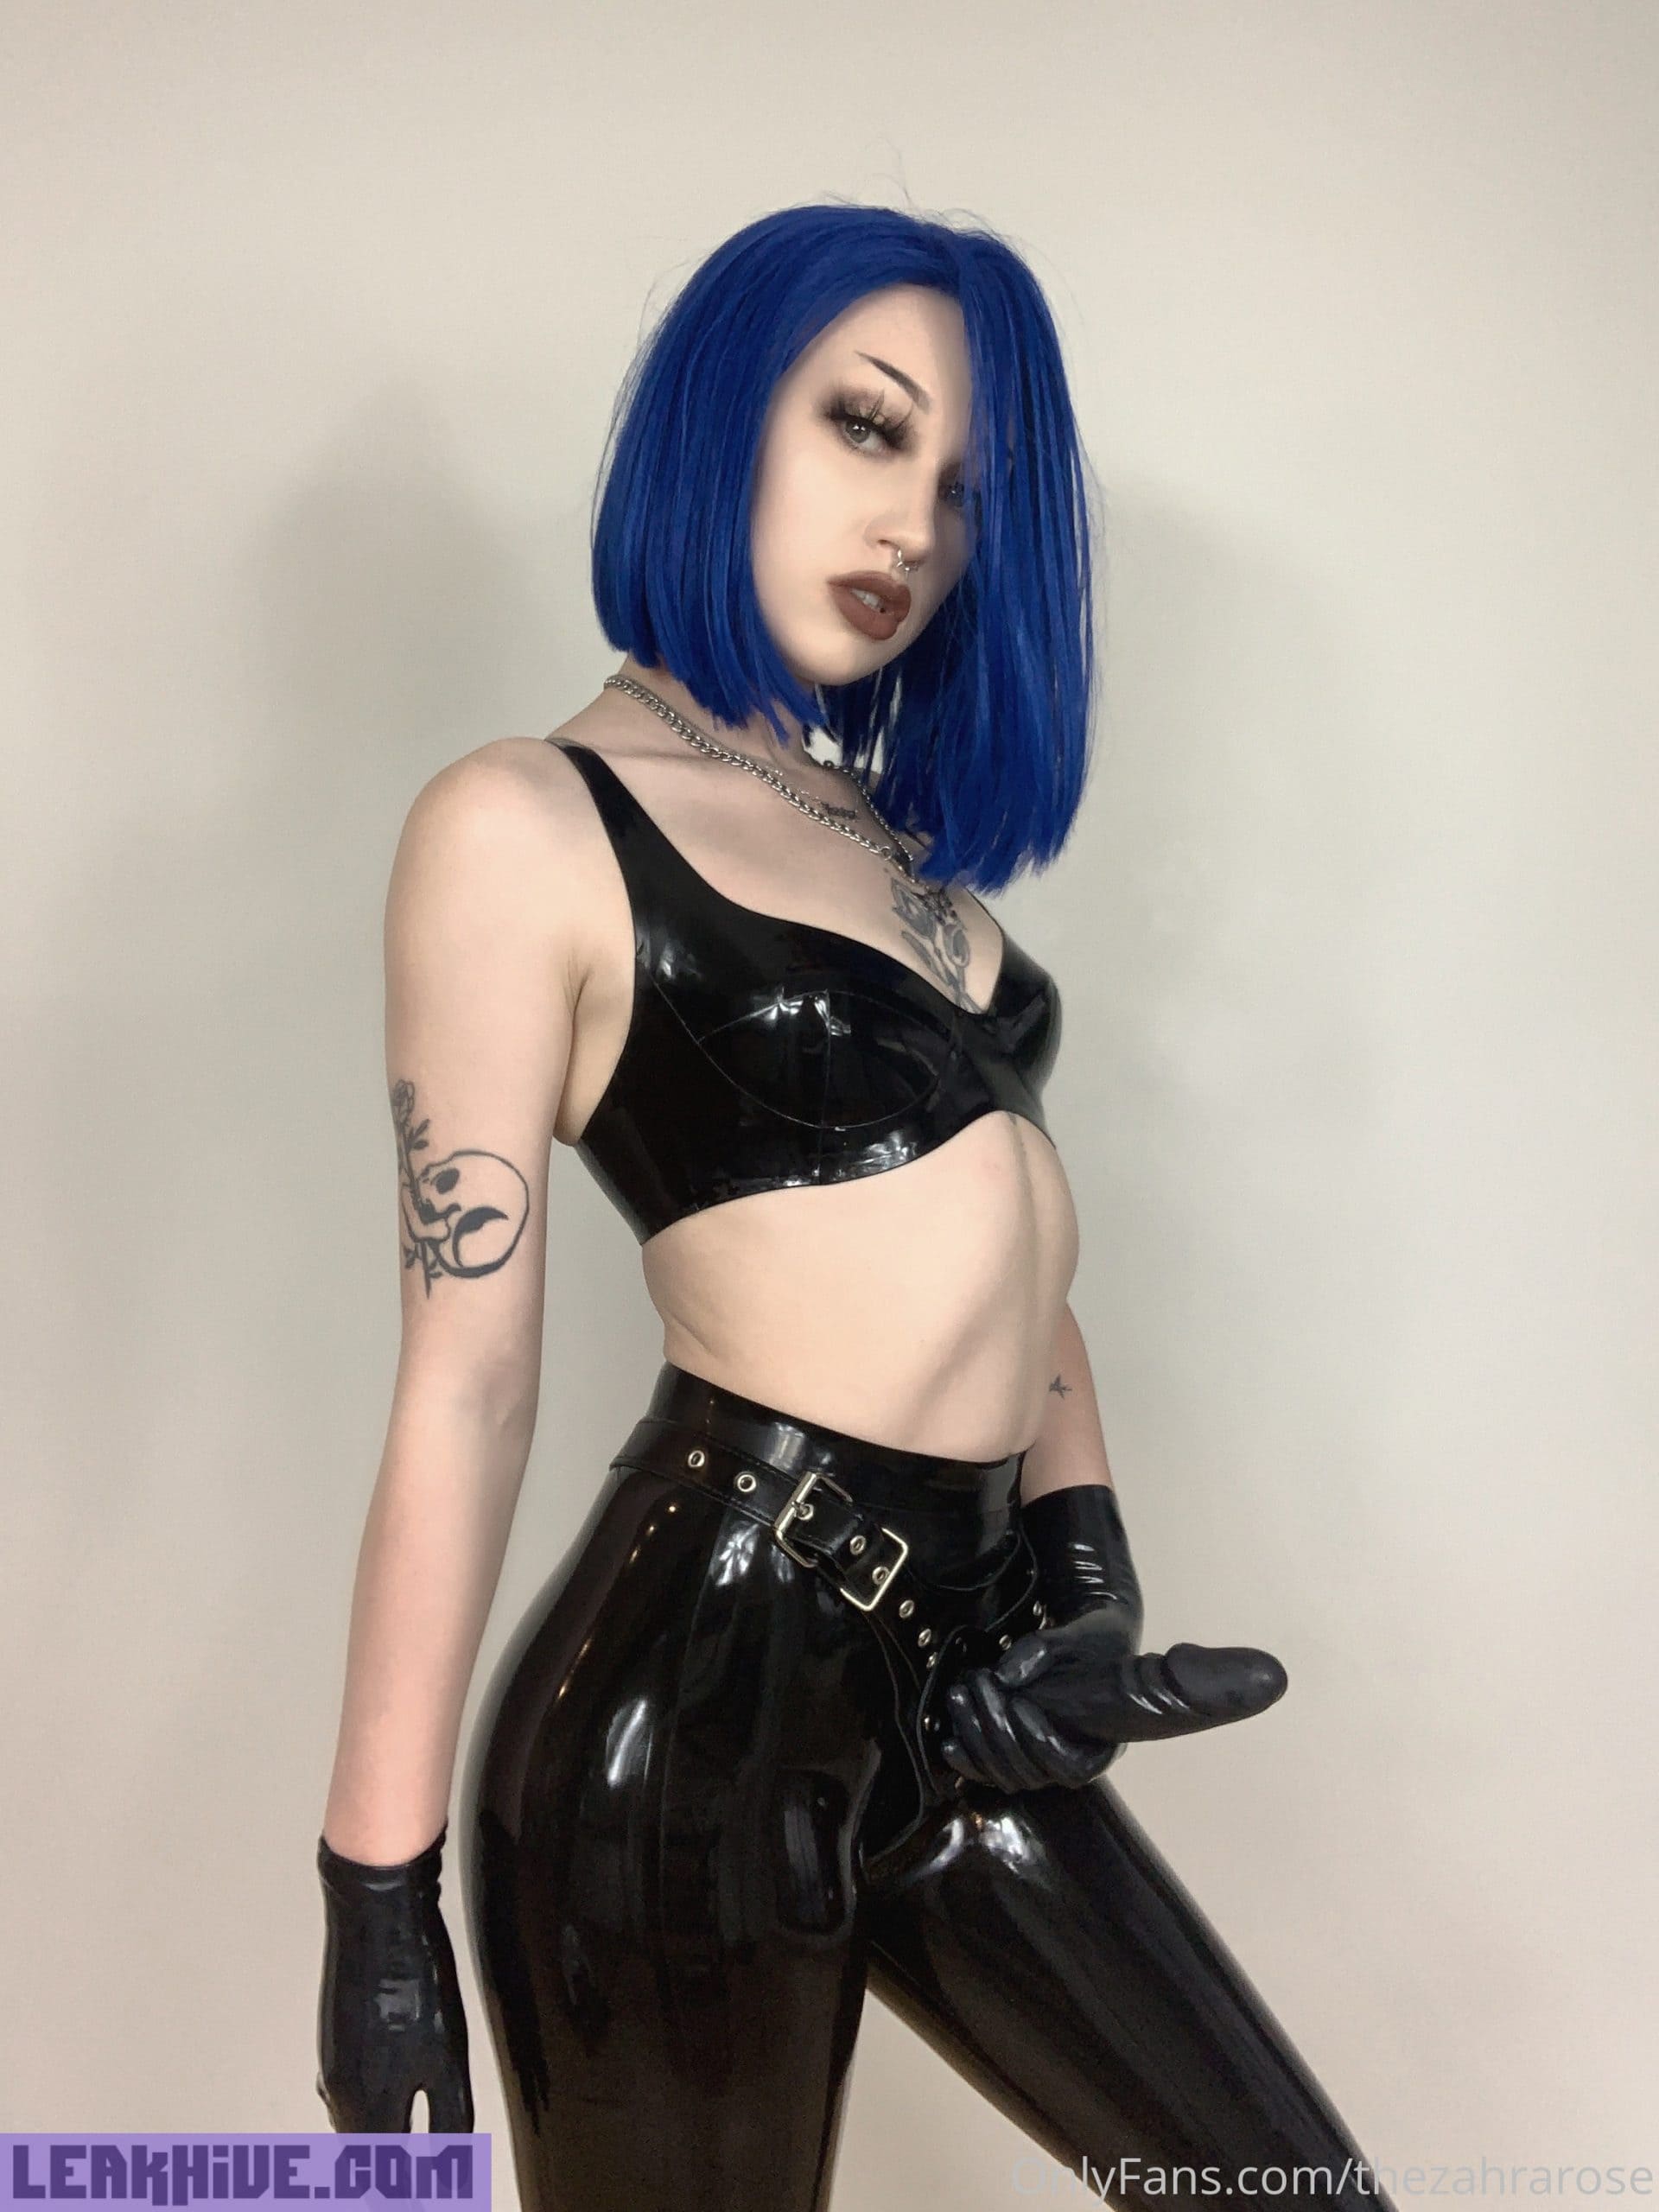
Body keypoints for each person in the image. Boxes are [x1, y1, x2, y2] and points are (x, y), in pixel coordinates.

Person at [316, 203, 1395, 2211]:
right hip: (688, 1716)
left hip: (959, 1688)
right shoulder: (524, 823)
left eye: (964, 490)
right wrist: (374, 1892)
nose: (913, 524)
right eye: (868, 425)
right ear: (722, 417)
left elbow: (1016, 1272)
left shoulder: (894, 852)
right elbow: (466, 1382)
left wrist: (1083, 1589)